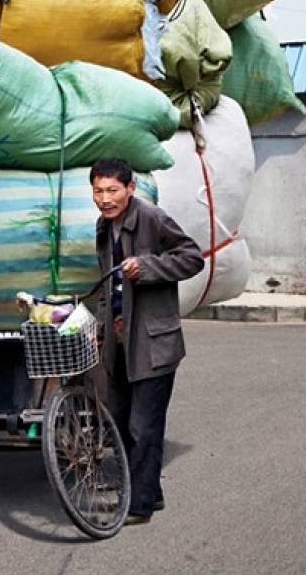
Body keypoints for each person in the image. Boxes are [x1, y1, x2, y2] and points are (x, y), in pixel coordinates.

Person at [90, 156, 204, 525]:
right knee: (120, 421)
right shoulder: (104, 228)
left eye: (113, 190)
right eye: (98, 191)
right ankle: (149, 492)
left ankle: (137, 505)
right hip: (119, 343)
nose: (106, 198)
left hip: (154, 342)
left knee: (144, 425)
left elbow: (192, 258)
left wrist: (149, 267)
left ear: (130, 189)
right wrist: (102, 330)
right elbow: (109, 285)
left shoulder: (153, 218)